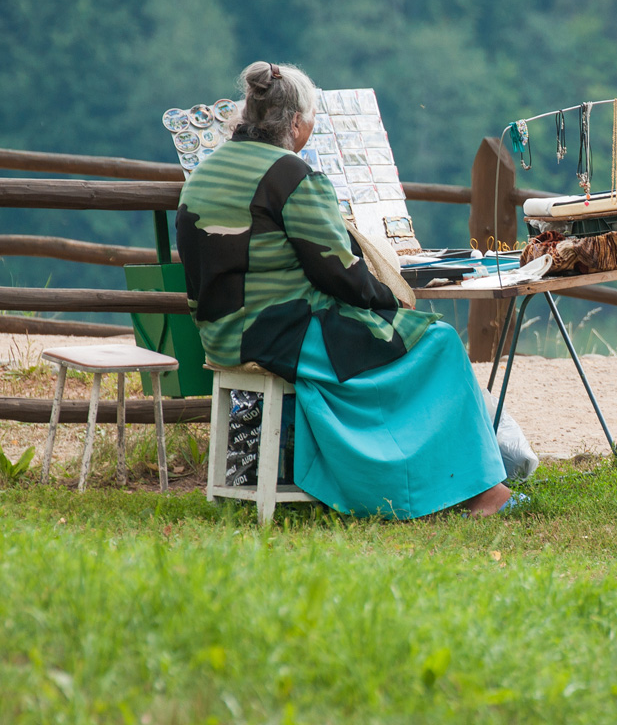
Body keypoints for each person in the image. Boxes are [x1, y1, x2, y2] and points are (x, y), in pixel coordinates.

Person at [176, 61, 512, 518]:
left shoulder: (204, 173)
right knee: (436, 340)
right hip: (281, 333)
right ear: (296, 122)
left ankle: (444, 481)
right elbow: (340, 274)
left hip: (222, 333)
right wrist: (392, 300)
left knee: (394, 339)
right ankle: (475, 492)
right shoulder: (290, 176)